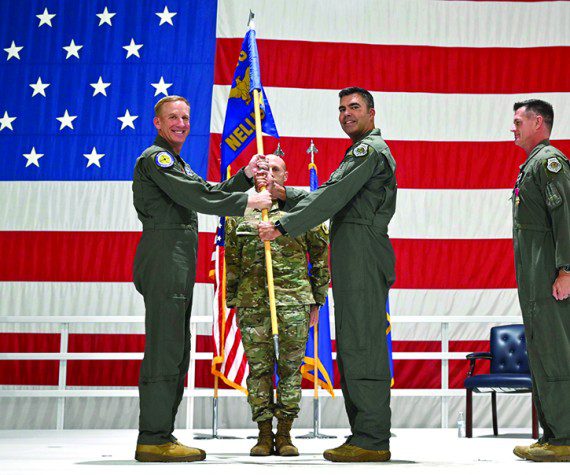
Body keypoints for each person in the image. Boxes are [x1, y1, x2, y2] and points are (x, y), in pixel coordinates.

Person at [258, 87, 396, 462]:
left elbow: (330, 199)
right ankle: (364, 434)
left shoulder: (370, 151)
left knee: (364, 347)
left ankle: (371, 438)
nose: (346, 114)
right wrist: (284, 194)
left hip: (364, 256)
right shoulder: (358, 151)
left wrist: (283, 225)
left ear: (371, 112)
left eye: (354, 107)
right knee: (353, 346)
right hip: (354, 257)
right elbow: (331, 193)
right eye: (341, 109)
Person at [132, 95, 271, 462]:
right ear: (157, 123)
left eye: (186, 117)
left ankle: (161, 434)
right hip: (164, 262)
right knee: (166, 350)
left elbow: (208, 192)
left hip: (175, 264)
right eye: (172, 117)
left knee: (177, 349)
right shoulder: (157, 159)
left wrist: (243, 175)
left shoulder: (176, 163)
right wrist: (248, 202)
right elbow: (198, 197)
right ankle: (153, 437)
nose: (181, 122)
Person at [225, 154, 330, 457]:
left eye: (275, 169)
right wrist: (234, 300)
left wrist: (317, 301)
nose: (268, 174)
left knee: (290, 370)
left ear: (285, 175)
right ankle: (262, 434)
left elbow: (321, 256)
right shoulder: (240, 212)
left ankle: (284, 433)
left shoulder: (303, 209)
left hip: (294, 302)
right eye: (263, 169)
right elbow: (232, 260)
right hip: (253, 303)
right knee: (258, 370)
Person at [508, 99, 570, 463]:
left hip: (549, 276)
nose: (512, 127)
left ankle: (564, 436)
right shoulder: (531, 166)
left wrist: (566, 269)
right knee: (543, 352)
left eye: (518, 120)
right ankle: (552, 433)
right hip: (535, 277)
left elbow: (566, 218)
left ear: (538, 122)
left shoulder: (550, 164)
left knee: (556, 352)